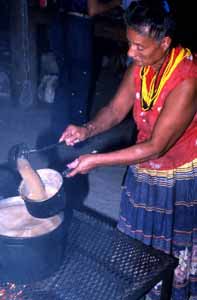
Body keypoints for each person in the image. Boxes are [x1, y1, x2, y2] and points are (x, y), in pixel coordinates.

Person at [59, 1, 197, 299]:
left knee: (171, 249)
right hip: (144, 163)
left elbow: (156, 146)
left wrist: (95, 161)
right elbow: (115, 109)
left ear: (165, 43)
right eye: (129, 44)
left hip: (178, 174)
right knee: (138, 241)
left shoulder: (187, 79)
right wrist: (87, 129)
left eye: (139, 47)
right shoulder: (142, 65)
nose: (130, 53)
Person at [49, 0, 121, 137]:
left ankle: (58, 131)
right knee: (81, 82)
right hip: (77, 25)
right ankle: (77, 135)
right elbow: (93, 9)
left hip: (58, 21)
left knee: (65, 79)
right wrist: (115, 3)